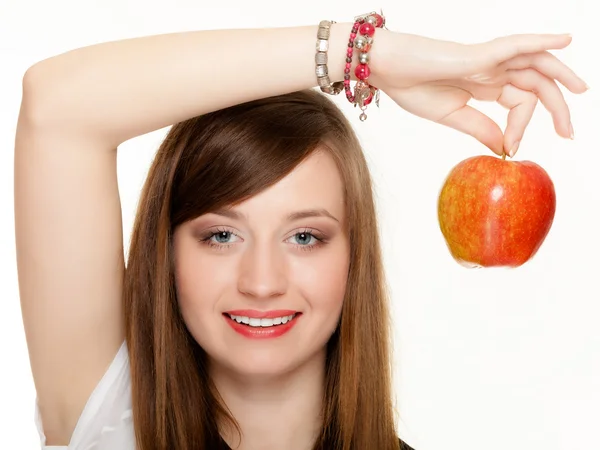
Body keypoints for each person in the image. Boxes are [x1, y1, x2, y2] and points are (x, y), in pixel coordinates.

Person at [14, 10, 588, 450]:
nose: (261, 284)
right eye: (220, 236)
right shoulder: (111, 423)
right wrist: (366, 54)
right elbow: (57, 107)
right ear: (166, 253)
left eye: (305, 237)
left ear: (352, 258)